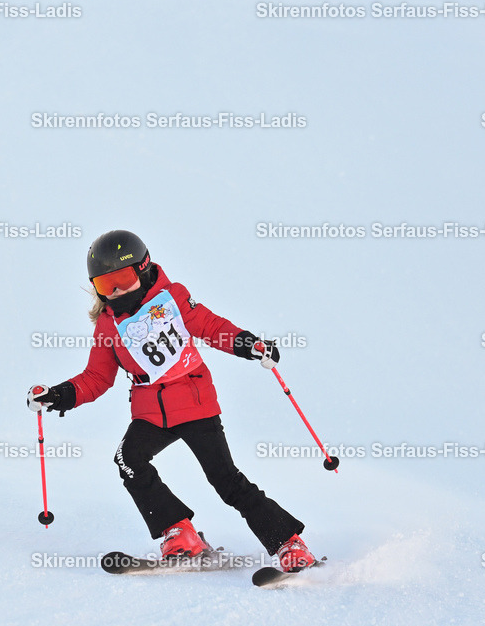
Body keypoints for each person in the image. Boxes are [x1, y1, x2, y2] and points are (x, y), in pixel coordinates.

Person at [28, 230, 316, 572]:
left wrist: (248, 344)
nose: (117, 290)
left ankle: (289, 543)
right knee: (128, 459)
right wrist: (58, 395)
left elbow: (211, 327)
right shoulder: (108, 325)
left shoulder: (172, 299)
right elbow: (97, 378)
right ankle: (179, 533)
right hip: (150, 410)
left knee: (226, 481)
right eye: (106, 285)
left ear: (143, 269)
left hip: (195, 402)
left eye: (122, 278)